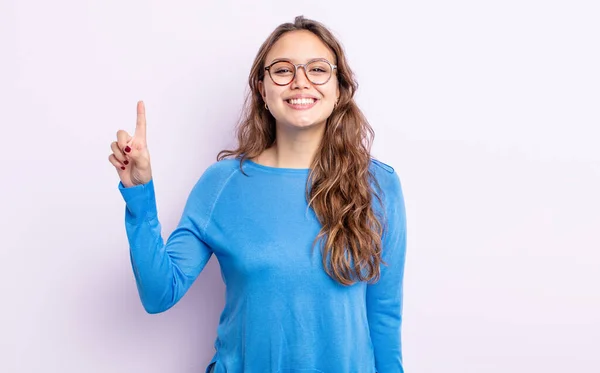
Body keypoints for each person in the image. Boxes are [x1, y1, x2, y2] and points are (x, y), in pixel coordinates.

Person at [108, 15, 407, 373]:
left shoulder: (378, 185)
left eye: (317, 69)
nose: (300, 82)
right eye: (283, 71)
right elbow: (159, 294)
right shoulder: (222, 184)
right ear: (263, 90)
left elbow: (384, 317)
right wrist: (139, 192)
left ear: (340, 87)